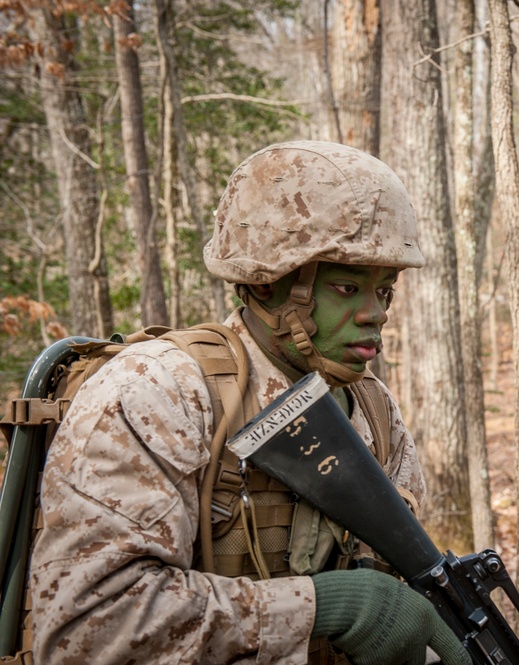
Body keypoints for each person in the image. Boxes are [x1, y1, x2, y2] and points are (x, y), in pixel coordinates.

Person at [29, 141, 472, 665]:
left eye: (385, 291)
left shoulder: (371, 407)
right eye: (349, 287)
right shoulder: (157, 390)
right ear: (268, 287)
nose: (374, 314)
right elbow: (89, 632)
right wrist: (319, 608)